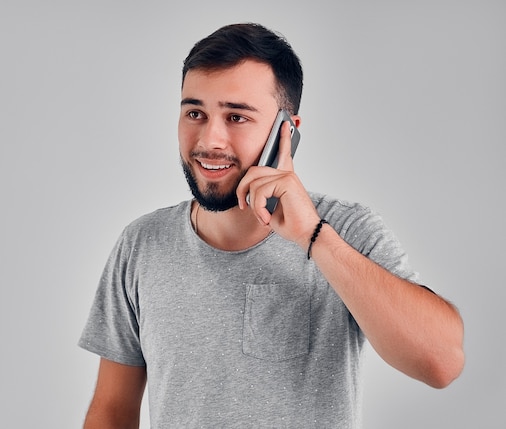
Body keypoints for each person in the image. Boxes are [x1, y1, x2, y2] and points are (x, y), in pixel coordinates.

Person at [78, 23, 465, 428]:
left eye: (236, 117)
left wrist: (313, 237)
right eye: (195, 113)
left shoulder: (347, 230)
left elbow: (441, 363)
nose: (210, 139)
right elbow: (112, 410)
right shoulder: (142, 243)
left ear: (288, 131)